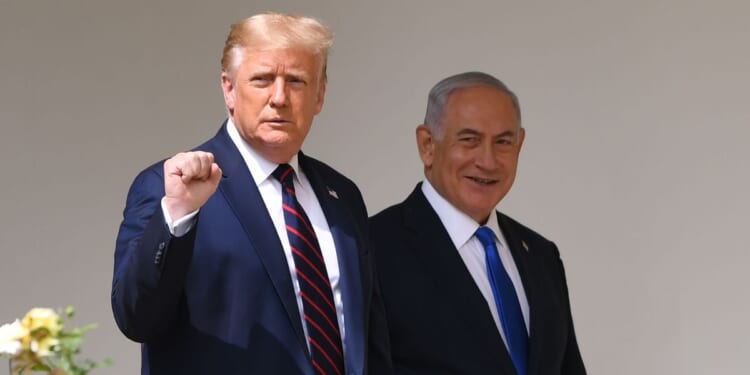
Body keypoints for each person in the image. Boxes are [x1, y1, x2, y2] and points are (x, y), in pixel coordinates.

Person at [112, 13, 390, 375]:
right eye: (262, 80)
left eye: (296, 81)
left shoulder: (342, 195)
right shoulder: (171, 188)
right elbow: (136, 318)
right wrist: (178, 217)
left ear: (320, 95)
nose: (279, 98)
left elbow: (369, 337)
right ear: (229, 89)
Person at [370, 71, 586, 374]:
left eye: (503, 142)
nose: (488, 161)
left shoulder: (541, 256)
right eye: (469, 140)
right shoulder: (372, 251)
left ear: (520, 145)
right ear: (427, 145)